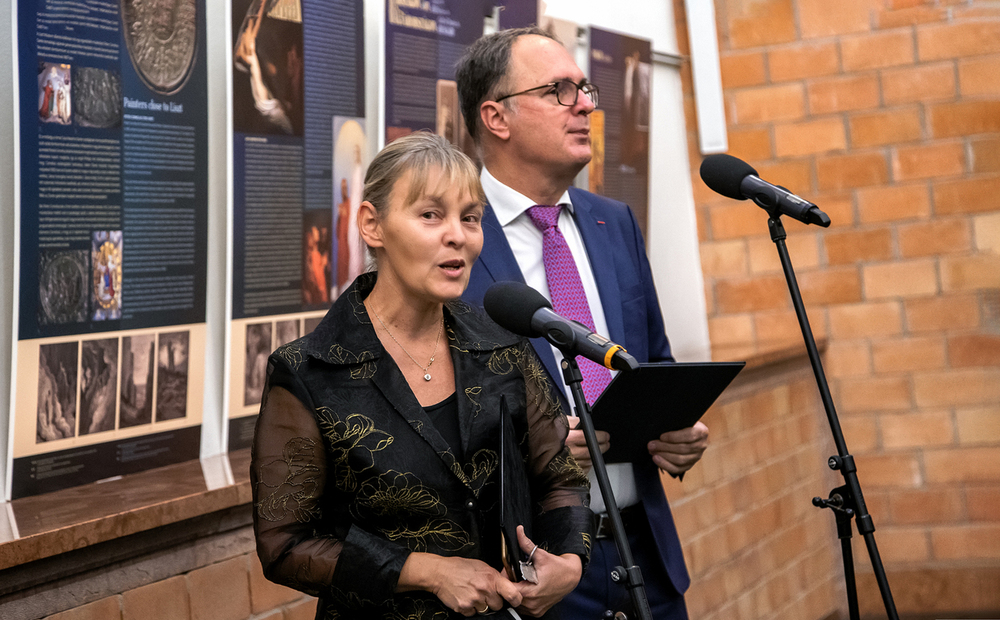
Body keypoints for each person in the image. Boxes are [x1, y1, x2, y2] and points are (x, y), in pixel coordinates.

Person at [251, 132, 593, 620]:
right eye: (431, 215)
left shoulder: (502, 345)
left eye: (470, 218)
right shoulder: (309, 370)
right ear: (372, 225)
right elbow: (286, 545)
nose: (457, 234)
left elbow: (560, 478)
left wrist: (569, 561)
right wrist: (428, 571)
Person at [457, 28, 709, 619]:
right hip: (535, 569)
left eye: (584, 88)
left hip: (645, 551)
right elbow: (432, 421)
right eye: (559, 90)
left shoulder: (612, 221)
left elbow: (654, 363)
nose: (586, 104)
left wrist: (675, 430)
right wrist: (534, 448)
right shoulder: (455, 240)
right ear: (497, 117)